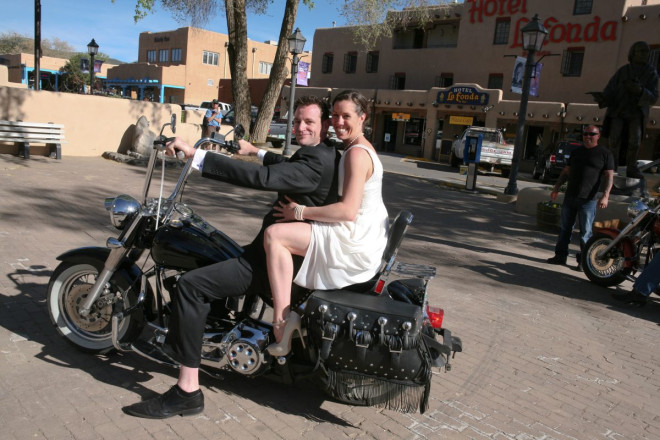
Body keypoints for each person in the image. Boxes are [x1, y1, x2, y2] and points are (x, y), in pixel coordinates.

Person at [122, 95, 340, 419]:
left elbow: (260, 179)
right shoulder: (324, 155)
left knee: (191, 286)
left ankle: (187, 391)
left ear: (324, 125)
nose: (300, 127)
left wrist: (197, 157)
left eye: (309, 122)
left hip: (271, 262)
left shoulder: (314, 162)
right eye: (296, 121)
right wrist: (256, 151)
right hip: (283, 255)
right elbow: (284, 166)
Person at [263, 90, 389, 354]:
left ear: (362, 117)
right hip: (366, 233)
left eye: (346, 116)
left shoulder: (356, 154)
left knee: (275, 235)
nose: (339, 122)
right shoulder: (355, 146)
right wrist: (257, 151)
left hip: (354, 238)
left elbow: (347, 211)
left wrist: (300, 212)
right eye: (334, 115)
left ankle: (282, 321)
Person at [547, 126, 615, 270]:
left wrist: (605, 196)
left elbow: (609, 176)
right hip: (570, 196)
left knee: (585, 233)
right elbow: (566, 171)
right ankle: (560, 256)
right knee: (565, 228)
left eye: (592, 134)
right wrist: (556, 188)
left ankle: (584, 262)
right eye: (585, 134)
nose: (588, 136)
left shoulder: (604, 153)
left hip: (588, 200)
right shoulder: (576, 151)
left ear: (598, 135)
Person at [594, 41, 659, 179]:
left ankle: (631, 167)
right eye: (641, 51)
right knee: (614, 140)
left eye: (646, 51)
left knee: (634, 141)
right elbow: (610, 89)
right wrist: (603, 97)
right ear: (633, 53)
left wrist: (640, 90)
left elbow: (653, 97)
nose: (644, 54)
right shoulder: (623, 71)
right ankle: (611, 166)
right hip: (618, 110)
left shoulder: (651, 72)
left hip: (636, 113)